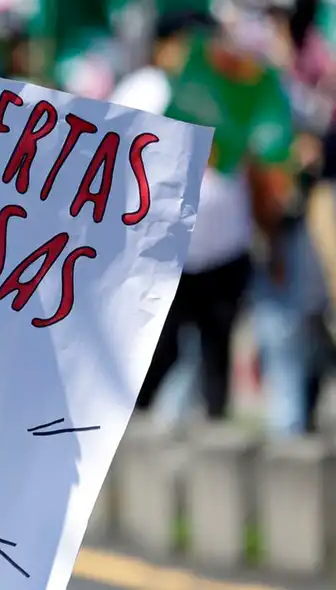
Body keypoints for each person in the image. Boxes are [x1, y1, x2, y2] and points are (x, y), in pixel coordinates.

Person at [109, 10, 297, 427]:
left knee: (216, 349)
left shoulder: (236, 87)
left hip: (224, 249)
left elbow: (259, 156)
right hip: (163, 254)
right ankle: (126, 435)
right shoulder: (145, 90)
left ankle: (216, 437)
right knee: (160, 350)